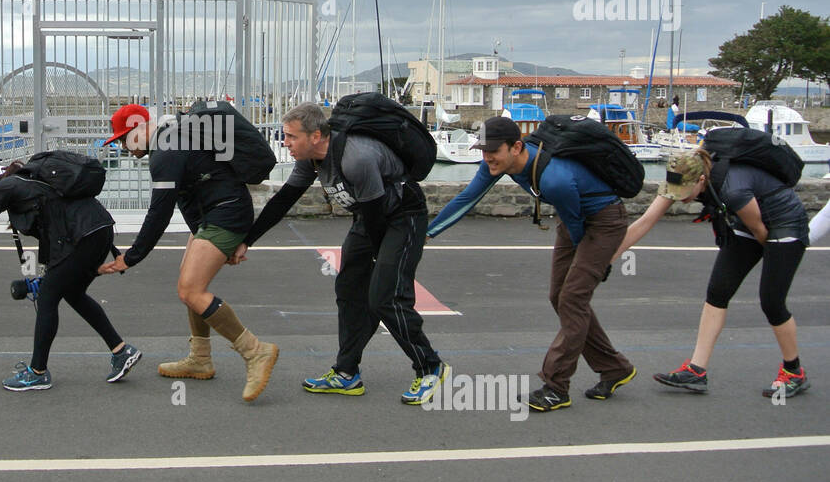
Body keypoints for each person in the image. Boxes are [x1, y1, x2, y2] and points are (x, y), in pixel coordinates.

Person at [232, 102, 448, 401]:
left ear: (317, 135)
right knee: (348, 289)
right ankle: (346, 373)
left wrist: (377, 261)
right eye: (286, 136)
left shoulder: (356, 158)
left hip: (403, 217)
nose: (286, 143)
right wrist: (248, 240)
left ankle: (430, 367)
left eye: (292, 137)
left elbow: (377, 216)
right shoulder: (310, 160)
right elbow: (283, 201)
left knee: (385, 297)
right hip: (369, 219)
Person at [427, 116, 636, 411]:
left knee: (572, 298)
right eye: (483, 151)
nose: (487, 158)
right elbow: (467, 198)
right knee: (559, 297)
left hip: (603, 221)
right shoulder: (498, 165)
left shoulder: (555, 178)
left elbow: (578, 227)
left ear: (516, 147)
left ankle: (556, 386)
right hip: (573, 217)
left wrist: (595, 263)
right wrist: (428, 232)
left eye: (493, 152)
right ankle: (614, 368)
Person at [97, 104, 278, 402]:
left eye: (123, 138)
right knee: (189, 284)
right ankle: (201, 358)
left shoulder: (166, 152)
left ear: (140, 128)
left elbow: (160, 212)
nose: (123, 147)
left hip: (225, 213)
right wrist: (205, 235)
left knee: (191, 290)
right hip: (217, 214)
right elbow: (188, 198)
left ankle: (256, 352)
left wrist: (131, 257)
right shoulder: (170, 142)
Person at [0, 162, 139, 391]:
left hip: (82, 236)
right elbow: (54, 228)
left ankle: (38, 372)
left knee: (48, 297)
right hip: (98, 230)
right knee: (73, 293)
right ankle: (121, 350)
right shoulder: (32, 182)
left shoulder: (5, 188)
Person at [619, 148, 810, 397]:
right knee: (718, 292)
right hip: (747, 220)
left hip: (784, 223)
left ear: (700, 181)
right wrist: (605, 260)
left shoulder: (734, 190)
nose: (680, 198)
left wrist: (778, 262)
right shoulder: (680, 178)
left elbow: (761, 233)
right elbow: (644, 222)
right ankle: (696, 370)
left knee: (772, 301)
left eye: (684, 195)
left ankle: (794, 371)